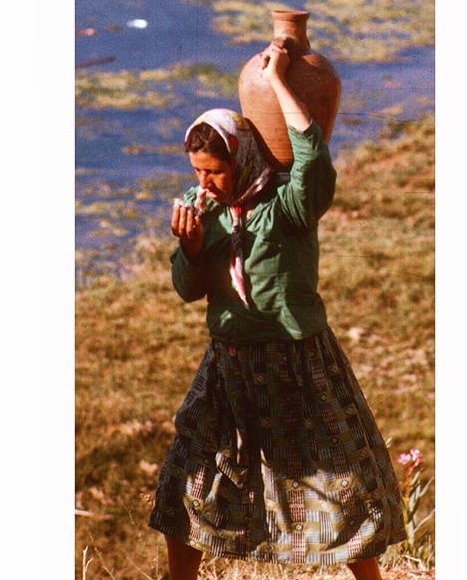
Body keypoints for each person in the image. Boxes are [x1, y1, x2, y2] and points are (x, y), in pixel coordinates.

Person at [148, 43, 407, 580]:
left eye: (215, 171)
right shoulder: (207, 214)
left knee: (340, 480)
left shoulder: (288, 206)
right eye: (197, 171)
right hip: (229, 363)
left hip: (296, 360)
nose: (204, 183)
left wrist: (280, 82)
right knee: (188, 475)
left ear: (241, 158)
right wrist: (192, 251)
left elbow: (311, 154)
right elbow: (188, 290)